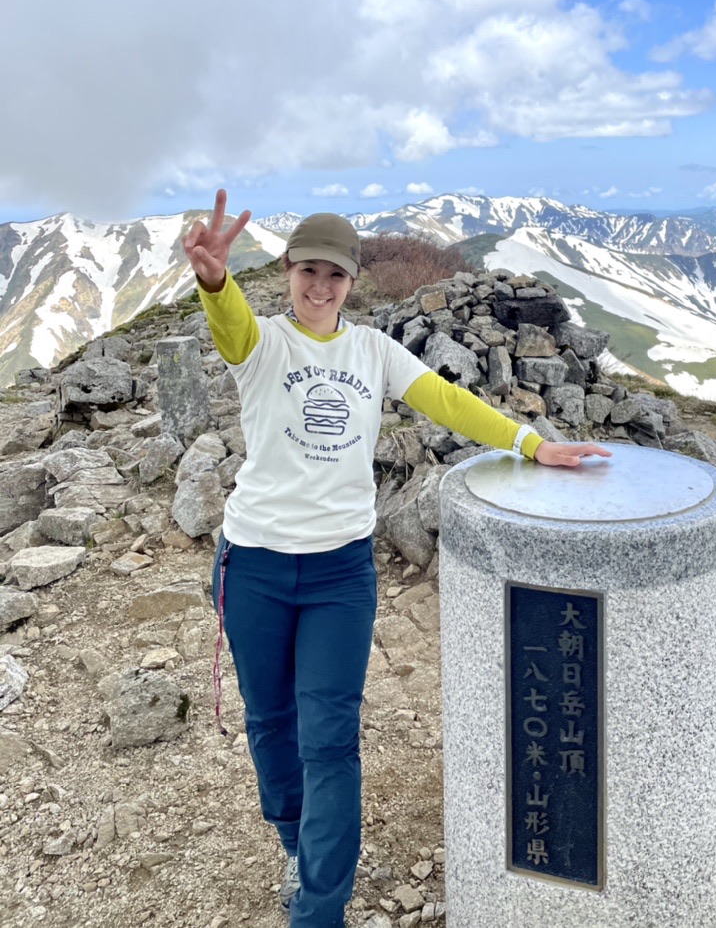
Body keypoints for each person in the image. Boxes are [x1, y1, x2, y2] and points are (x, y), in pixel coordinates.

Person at [183, 189, 611, 928]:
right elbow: (228, 320)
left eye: (336, 276)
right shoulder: (260, 344)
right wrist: (214, 280)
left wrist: (533, 445)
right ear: (286, 271)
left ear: (353, 281)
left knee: (330, 739)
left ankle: (320, 908)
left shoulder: (372, 351)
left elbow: (446, 401)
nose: (320, 288)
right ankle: (292, 837)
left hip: (339, 574)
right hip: (251, 563)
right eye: (308, 271)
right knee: (269, 721)